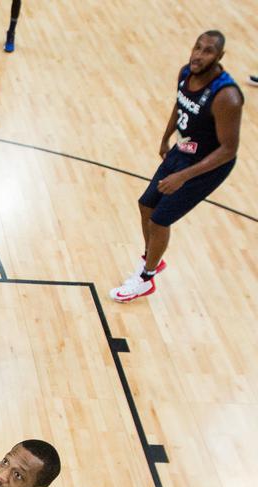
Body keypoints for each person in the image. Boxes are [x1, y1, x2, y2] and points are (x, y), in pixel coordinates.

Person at [111, 31, 243, 303]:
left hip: (209, 165)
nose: (198, 54)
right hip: (183, 149)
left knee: (160, 219)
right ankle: (152, 259)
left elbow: (228, 150)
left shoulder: (226, 96)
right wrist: (165, 137)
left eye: (207, 51)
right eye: (197, 47)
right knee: (146, 204)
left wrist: (183, 176)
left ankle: (146, 279)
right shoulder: (186, 73)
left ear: (220, 57)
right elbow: (180, 103)